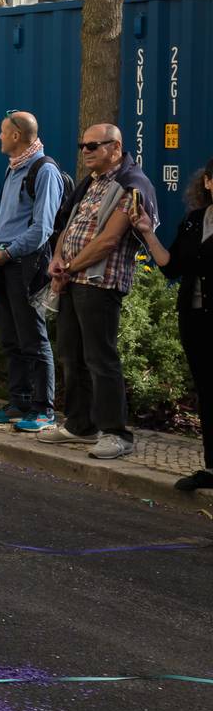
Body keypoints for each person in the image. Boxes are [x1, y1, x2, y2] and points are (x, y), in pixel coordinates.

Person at [39, 123, 159, 460]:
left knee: (100, 358)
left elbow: (108, 240)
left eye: (94, 145)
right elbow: (69, 225)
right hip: (72, 281)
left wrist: (71, 266)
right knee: (71, 354)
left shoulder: (131, 185)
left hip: (100, 283)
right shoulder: (90, 183)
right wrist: (58, 258)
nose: (86, 151)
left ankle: (116, 432)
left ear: (116, 148)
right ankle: (80, 425)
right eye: (83, 146)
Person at [0, 111, 65, 431]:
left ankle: (43, 409)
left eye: (2, 132)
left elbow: (42, 228)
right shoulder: (14, 168)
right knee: (11, 339)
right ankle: (19, 402)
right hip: (3, 263)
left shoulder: (45, 171)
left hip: (26, 266)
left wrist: (9, 252)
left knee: (33, 340)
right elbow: (8, 217)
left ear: (16, 136)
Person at [132, 156, 213, 490]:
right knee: (207, 391)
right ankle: (211, 469)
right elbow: (171, 266)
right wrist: (148, 234)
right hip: (194, 318)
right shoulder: (195, 220)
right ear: (207, 182)